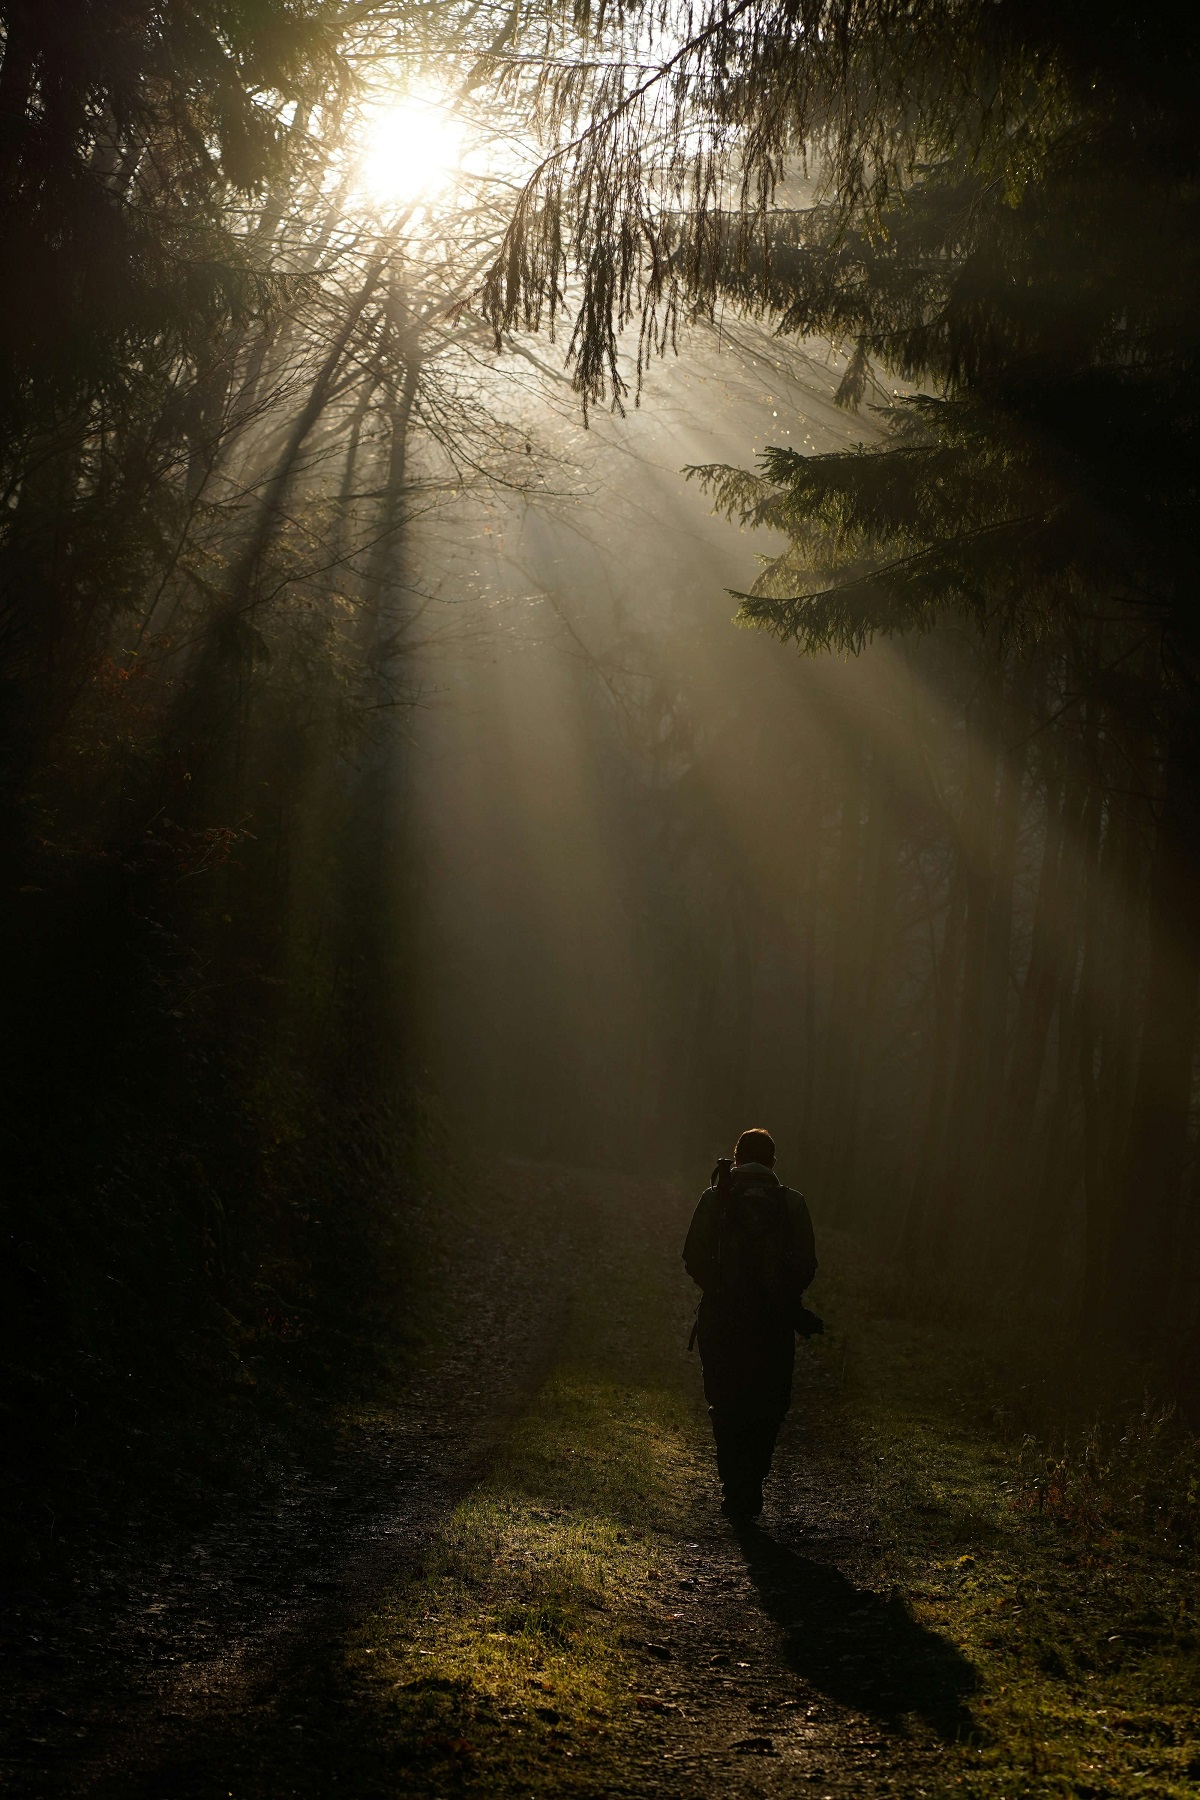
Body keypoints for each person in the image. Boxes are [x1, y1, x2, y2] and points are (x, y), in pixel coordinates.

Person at [683, 1127, 819, 1520]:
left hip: (722, 1319)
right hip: (773, 1322)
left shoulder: (716, 1198)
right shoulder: (791, 1202)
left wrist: (722, 1290)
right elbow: (806, 1263)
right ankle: (754, 1482)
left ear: (736, 1159)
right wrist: (781, 1298)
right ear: (773, 1162)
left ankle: (733, 1487)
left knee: (725, 1402)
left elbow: (693, 1255)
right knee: (768, 1401)